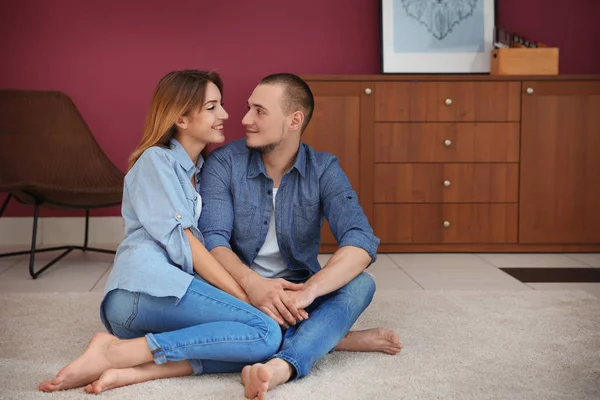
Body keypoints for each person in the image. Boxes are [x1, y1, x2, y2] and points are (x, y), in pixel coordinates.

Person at [38, 70, 292, 394]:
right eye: (212, 107)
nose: (225, 115)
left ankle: (133, 370)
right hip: (143, 290)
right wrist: (246, 298)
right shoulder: (155, 161)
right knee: (265, 331)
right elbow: (189, 246)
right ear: (182, 119)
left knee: (250, 343)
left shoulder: (201, 174)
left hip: (158, 307)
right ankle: (113, 351)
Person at [198, 73, 402, 399]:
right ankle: (335, 338)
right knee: (199, 296)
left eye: (259, 111)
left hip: (297, 295)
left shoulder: (323, 170)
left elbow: (360, 238)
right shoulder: (225, 163)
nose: (245, 120)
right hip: (236, 288)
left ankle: (281, 366)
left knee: (362, 284)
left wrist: (308, 293)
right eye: (249, 108)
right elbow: (213, 240)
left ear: (294, 120)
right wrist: (253, 286)